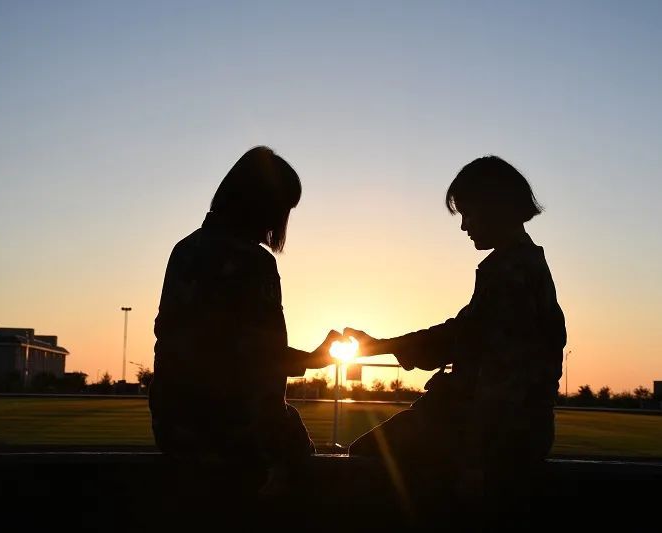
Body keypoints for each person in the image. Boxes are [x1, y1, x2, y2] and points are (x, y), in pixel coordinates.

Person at [346, 155, 566, 525]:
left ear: (496, 207)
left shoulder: (512, 276)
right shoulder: (512, 269)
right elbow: (457, 334)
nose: (464, 226)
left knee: (366, 460)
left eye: (468, 213)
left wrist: (475, 460)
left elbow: (501, 381)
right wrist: (377, 345)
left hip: (494, 435)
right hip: (498, 430)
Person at [149, 146, 339, 498]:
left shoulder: (184, 249)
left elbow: (211, 344)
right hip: (227, 432)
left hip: (173, 426)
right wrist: (314, 360)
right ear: (265, 206)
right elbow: (260, 360)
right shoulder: (252, 261)